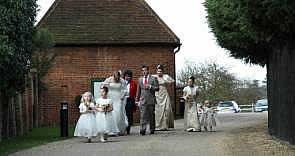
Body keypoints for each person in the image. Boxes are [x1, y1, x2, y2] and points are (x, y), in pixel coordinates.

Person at [136, 65, 159, 135]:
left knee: (151, 116)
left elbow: (157, 88)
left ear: (148, 71)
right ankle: (142, 129)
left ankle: (152, 129)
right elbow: (138, 91)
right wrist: (137, 100)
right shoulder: (140, 79)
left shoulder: (153, 78)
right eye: (142, 70)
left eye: (145, 70)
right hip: (143, 100)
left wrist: (150, 86)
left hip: (151, 100)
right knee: (143, 116)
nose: (144, 72)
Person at [104, 71, 128, 135]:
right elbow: (104, 86)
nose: (117, 79)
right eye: (115, 78)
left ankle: (118, 129)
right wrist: (105, 94)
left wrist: (123, 95)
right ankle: (110, 130)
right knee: (111, 112)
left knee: (118, 113)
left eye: (118, 78)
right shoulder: (109, 79)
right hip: (111, 97)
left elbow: (125, 90)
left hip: (118, 97)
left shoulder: (122, 81)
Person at [153, 64, 175, 130]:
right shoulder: (154, 77)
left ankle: (165, 125)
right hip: (157, 93)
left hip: (164, 93)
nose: (159, 72)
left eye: (160, 71)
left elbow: (173, 81)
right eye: (158, 71)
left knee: (167, 108)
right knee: (158, 110)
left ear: (162, 72)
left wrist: (166, 82)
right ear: (156, 71)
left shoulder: (166, 76)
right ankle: (158, 125)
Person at [123, 70, 137, 135]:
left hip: (130, 100)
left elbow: (135, 92)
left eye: (129, 76)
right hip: (123, 100)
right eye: (126, 76)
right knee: (123, 114)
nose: (127, 77)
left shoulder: (133, 83)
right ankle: (123, 128)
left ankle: (128, 128)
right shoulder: (122, 82)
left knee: (129, 114)